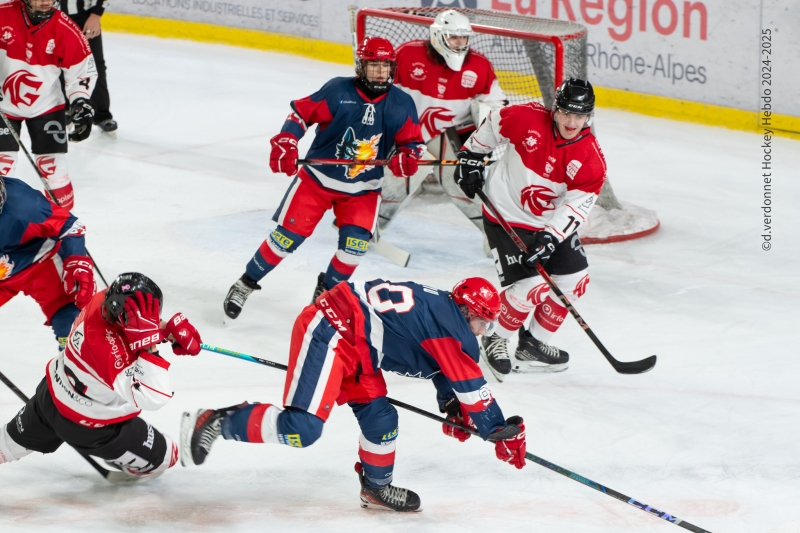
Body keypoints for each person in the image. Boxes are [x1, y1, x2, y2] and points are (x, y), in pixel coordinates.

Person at [183, 277, 527, 511]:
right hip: (331, 330)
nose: (486, 331)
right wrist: (497, 430)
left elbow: (441, 367)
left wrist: (451, 405)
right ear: (467, 311)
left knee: (382, 419)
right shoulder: (454, 330)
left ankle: (376, 488)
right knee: (302, 429)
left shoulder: (442, 310)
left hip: (360, 346)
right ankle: (216, 422)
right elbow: (470, 384)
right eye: (485, 322)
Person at [222, 37, 424, 319]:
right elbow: (300, 114)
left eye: (385, 65)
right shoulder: (338, 91)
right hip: (317, 182)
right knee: (285, 241)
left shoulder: (402, 104)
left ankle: (326, 293)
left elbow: (412, 143)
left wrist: (408, 155)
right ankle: (245, 283)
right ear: (361, 65)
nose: (380, 71)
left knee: (353, 251)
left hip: (363, 190)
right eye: (373, 64)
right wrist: (287, 140)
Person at [453, 78, 607, 381]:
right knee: (531, 286)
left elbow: (577, 206)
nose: (572, 122)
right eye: (566, 113)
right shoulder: (526, 118)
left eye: (579, 116)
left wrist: (550, 238)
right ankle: (494, 337)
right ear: (556, 110)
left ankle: (533, 345)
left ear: (589, 116)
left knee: (576, 280)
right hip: (504, 215)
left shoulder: (590, 158)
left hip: (548, 223)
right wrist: (472, 154)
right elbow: (494, 122)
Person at [0, 272, 203, 480]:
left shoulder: (103, 299)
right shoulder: (108, 351)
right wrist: (149, 344)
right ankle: (119, 456)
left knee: (5, 445)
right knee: (167, 455)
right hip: (90, 428)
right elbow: (153, 396)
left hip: (49, 398)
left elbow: (129, 311)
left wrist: (164, 328)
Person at [378, 9, 506, 234]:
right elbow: (379, 90)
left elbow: (497, 105)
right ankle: (366, 226)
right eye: (453, 37)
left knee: (461, 179)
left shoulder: (479, 66)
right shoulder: (407, 55)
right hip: (406, 131)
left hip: (447, 134)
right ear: (437, 36)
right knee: (400, 178)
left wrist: (483, 135)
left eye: (463, 37)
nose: (459, 43)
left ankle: (495, 235)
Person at [0, 0, 98, 211]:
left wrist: (80, 102)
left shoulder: (65, 27)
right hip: (3, 106)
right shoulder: (3, 13)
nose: (45, 1)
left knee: (54, 172)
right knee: (2, 169)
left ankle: (62, 229)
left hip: (47, 106)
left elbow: (83, 73)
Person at [0, 176, 95, 349]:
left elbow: (70, 226)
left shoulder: (23, 203)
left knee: (75, 331)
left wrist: (77, 261)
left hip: (40, 262)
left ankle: (73, 367)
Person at [59, 0, 117, 134]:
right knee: (55, 64)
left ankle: (101, 114)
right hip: (52, 17)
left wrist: (95, 15)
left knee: (93, 65)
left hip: (84, 18)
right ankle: (63, 109)